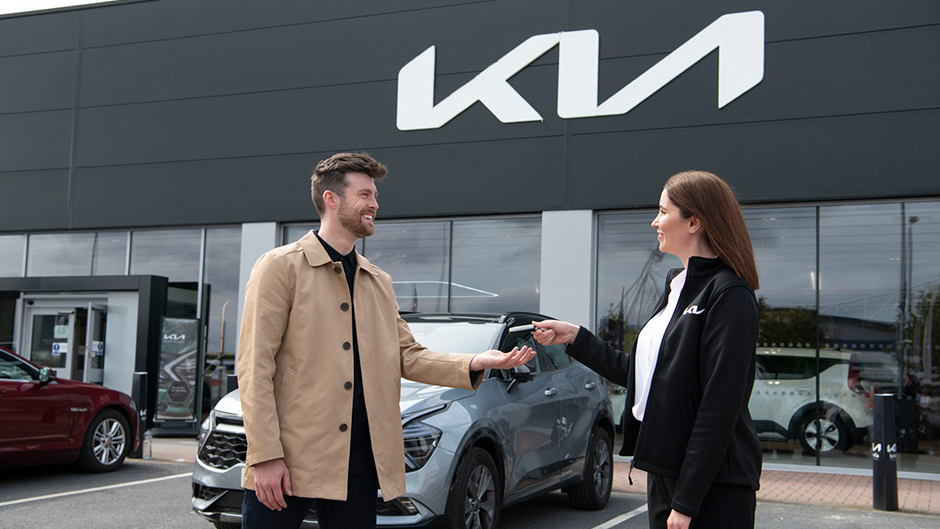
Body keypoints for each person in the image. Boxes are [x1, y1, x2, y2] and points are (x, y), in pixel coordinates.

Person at [236, 152, 535, 529]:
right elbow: (253, 367)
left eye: (375, 196)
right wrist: (264, 455)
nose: (375, 204)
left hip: (359, 460)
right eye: (365, 195)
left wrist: (476, 362)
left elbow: (408, 356)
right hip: (289, 457)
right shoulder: (280, 267)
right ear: (332, 199)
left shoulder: (378, 281)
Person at [533, 170, 762, 529]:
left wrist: (686, 501)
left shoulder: (729, 294)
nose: (655, 221)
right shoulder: (676, 288)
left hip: (714, 486)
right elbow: (645, 376)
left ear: (694, 222)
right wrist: (576, 337)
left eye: (662, 211)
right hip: (667, 473)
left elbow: (720, 405)